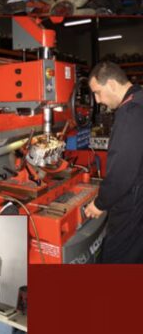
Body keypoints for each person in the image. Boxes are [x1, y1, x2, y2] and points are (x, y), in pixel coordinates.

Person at [83, 61, 143, 263]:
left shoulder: (129, 113)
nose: (98, 100)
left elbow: (122, 173)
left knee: (117, 258)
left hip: (133, 203)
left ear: (111, 84)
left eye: (98, 93)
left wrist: (100, 203)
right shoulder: (140, 98)